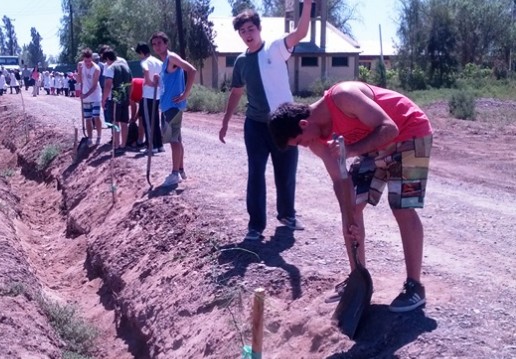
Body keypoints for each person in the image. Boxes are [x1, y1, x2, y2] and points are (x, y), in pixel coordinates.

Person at [268, 81, 434, 313]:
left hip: (409, 132)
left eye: (299, 141)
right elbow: (340, 181)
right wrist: (349, 216)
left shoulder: (343, 97)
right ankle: (359, 280)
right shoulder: (317, 141)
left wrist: (353, 150)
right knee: (352, 205)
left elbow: (390, 128)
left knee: (401, 206)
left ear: (304, 124)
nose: (303, 146)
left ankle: (415, 286)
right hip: (374, 145)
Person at [218, 6, 311, 240]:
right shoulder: (240, 62)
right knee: (256, 173)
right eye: (242, 31)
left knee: (286, 172)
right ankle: (255, 226)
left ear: (259, 29)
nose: (247, 34)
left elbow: (300, 33)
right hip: (256, 126)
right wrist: (226, 121)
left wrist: (307, 4)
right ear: (239, 35)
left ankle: (287, 215)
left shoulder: (276, 47)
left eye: (251, 29)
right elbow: (237, 93)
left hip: (284, 124)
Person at [150, 31, 196, 187]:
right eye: (154, 44)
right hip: (167, 106)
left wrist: (186, 93)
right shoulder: (164, 63)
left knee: (173, 140)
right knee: (177, 139)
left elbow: (192, 70)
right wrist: (158, 80)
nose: (157, 46)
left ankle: (175, 173)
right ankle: (180, 170)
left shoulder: (171, 58)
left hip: (173, 106)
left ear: (166, 43)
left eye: (159, 43)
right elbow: (168, 84)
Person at [101, 48, 133, 154]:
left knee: (115, 122)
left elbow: (108, 85)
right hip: (125, 97)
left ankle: (116, 145)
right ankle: (123, 145)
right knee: (124, 122)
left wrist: (104, 99)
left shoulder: (111, 68)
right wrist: (129, 96)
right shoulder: (126, 67)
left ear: (107, 58)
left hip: (115, 98)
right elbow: (131, 82)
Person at [135, 42, 164, 153]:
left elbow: (146, 72)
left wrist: (149, 82)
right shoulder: (158, 61)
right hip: (157, 96)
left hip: (148, 95)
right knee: (155, 121)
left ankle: (151, 146)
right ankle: (159, 145)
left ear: (142, 52)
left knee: (147, 122)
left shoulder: (145, 62)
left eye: (139, 54)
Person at [78, 48, 103, 147]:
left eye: (89, 61)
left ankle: (99, 136)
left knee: (96, 116)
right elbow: (79, 80)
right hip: (85, 96)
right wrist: (79, 71)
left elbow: (94, 86)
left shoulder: (96, 69)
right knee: (87, 118)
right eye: (85, 61)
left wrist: (85, 95)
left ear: (92, 59)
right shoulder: (81, 65)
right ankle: (90, 138)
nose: (87, 63)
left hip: (95, 95)